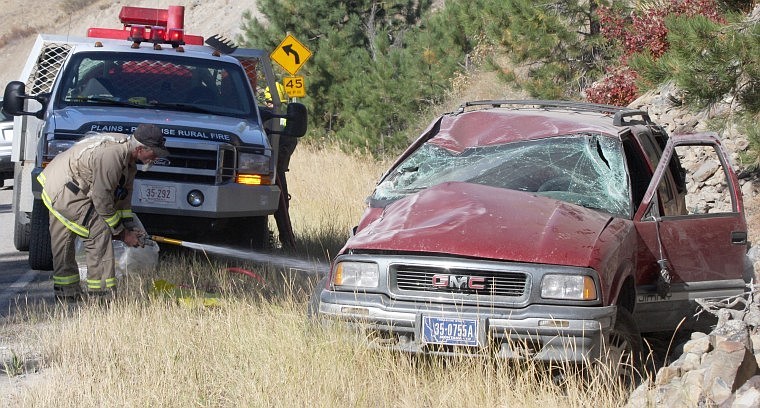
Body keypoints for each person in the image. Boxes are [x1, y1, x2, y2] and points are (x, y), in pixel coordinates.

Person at [38, 124, 170, 301]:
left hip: (66, 182)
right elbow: (102, 199)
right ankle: (102, 297)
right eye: (154, 153)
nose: (155, 158)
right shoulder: (112, 156)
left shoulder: (129, 162)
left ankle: (67, 293)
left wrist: (130, 226)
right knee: (99, 233)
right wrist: (122, 234)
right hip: (64, 188)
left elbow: (122, 199)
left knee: (64, 242)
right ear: (140, 149)